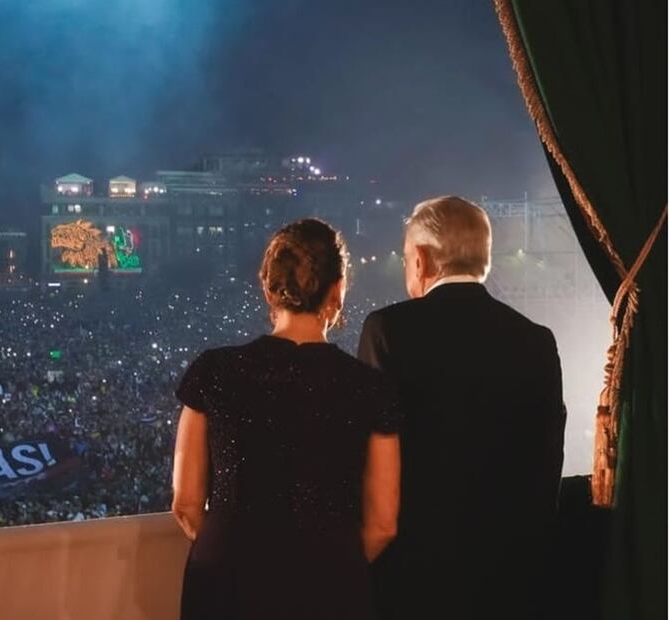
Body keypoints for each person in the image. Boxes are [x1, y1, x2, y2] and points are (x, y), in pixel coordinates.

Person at [172, 218, 401, 619]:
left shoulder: (214, 372)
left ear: (268, 288)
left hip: (225, 584)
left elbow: (187, 504)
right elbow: (383, 524)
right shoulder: (370, 388)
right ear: (337, 291)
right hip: (330, 587)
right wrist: (322, 569)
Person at [357, 196, 566, 620]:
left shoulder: (388, 331)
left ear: (421, 259)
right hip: (511, 577)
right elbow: (547, 462)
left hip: (413, 576)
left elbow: (370, 448)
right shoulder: (535, 339)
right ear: (484, 258)